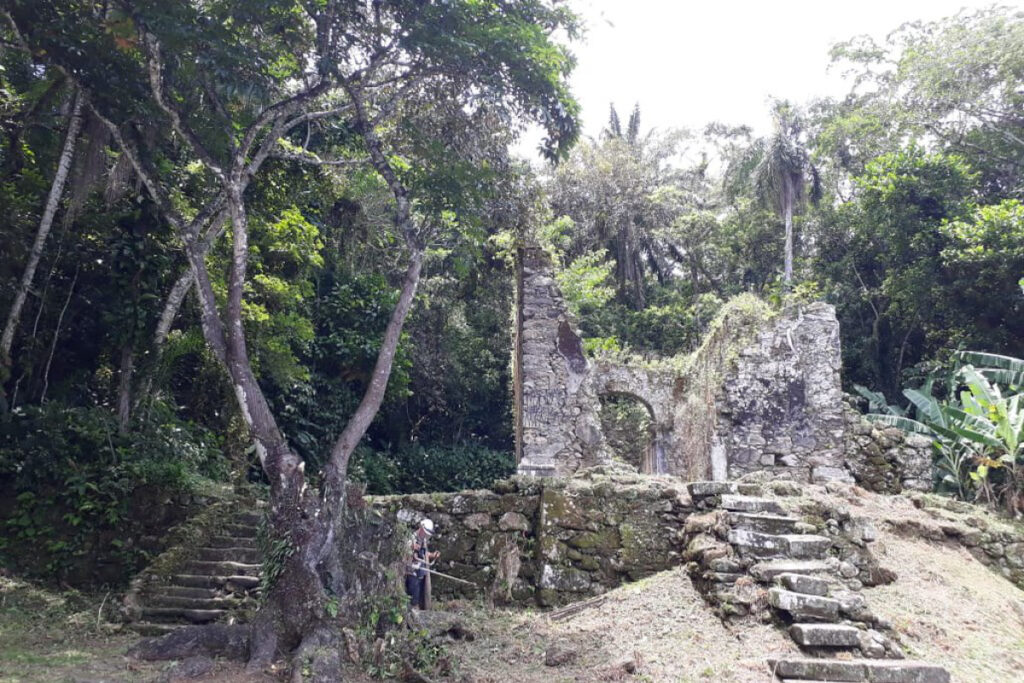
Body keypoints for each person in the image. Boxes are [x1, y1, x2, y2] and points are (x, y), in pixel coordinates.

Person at [405, 518, 439, 610]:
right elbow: (404, 550)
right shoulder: (411, 538)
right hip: (412, 572)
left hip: (421, 572)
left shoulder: (423, 540)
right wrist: (412, 548)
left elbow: (424, 553)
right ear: (421, 528)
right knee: (413, 598)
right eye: (425, 533)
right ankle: (413, 614)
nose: (426, 536)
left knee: (421, 596)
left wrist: (432, 555)